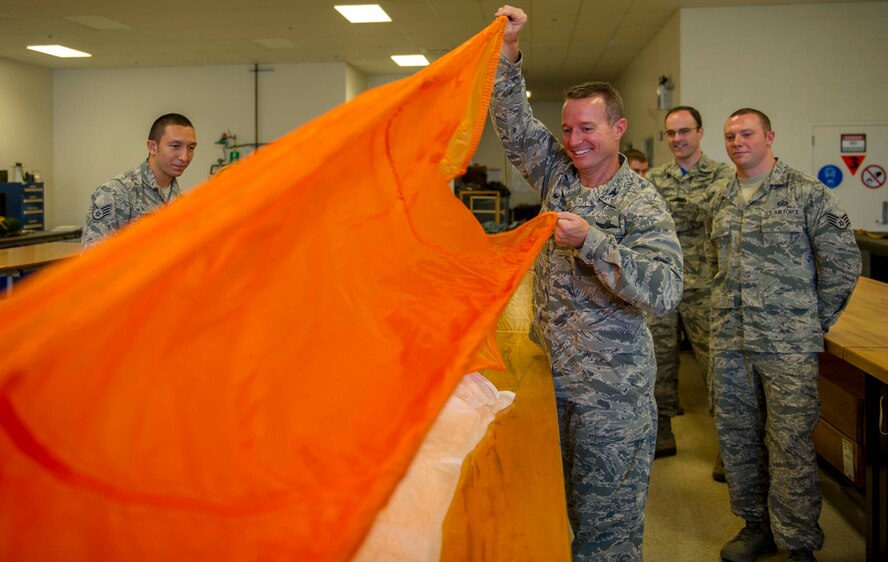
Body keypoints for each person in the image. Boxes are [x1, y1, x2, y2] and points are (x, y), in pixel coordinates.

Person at [490, 6, 683, 560]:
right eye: (568, 128)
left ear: (619, 129)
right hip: (553, 388)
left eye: (588, 129)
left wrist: (595, 243)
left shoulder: (640, 201)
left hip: (612, 401)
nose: (574, 140)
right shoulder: (558, 177)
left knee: (605, 539)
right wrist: (508, 54)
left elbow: (667, 291)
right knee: (554, 518)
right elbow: (515, 125)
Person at [705, 108, 860, 562]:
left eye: (747, 133)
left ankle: (797, 542)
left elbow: (844, 262)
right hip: (730, 342)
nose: (737, 142)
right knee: (738, 439)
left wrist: (811, 320)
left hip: (787, 346)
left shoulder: (806, 192)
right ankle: (755, 526)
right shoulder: (720, 197)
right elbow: (713, 265)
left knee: (790, 442)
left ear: (769, 136)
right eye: (730, 135)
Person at [645, 106, 733, 475]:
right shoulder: (652, 179)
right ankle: (661, 432)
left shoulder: (724, 177)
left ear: (699, 132)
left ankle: (731, 450)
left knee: (718, 368)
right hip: (662, 286)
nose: (677, 139)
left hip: (705, 287)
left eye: (684, 131)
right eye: (671, 133)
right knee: (658, 363)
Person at [82, 113, 197, 249]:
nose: (184, 157)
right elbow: (93, 259)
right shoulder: (115, 192)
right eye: (175, 146)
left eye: (191, 148)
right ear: (153, 147)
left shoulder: (179, 200)